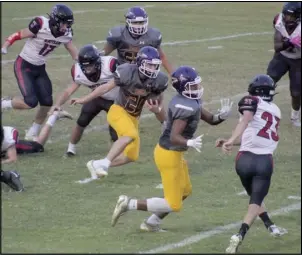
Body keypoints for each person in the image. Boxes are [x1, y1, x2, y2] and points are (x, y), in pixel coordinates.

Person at [108, 66, 233, 230]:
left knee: (185, 191)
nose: (197, 88)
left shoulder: (190, 101)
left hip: (174, 153)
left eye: (196, 85)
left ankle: (151, 223)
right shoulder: (185, 107)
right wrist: (189, 142)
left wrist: (221, 116)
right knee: (174, 204)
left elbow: (210, 119)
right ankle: (128, 204)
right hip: (168, 154)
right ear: (183, 87)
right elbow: (175, 136)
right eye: (193, 86)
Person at [70, 46, 168, 180]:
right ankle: (104, 163)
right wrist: (84, 99)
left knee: (131, 156)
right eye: (149, 65)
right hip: (118, 110)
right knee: (130, 134)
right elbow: (104, 88)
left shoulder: (159, 80)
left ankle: (95, 164)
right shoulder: (126, 71)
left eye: (154, 66)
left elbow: (159, 106)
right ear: (139, 63)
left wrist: (159, 114)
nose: (152, 69)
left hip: (134, 117)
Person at [216, 74, 287, 254]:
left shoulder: (251, 101)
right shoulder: (276, 110)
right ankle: (239, 234)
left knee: (255, 197)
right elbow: (253, 127)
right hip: (264, 161)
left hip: (244, 160)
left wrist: (231, 141)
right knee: (255, 201)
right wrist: (231, 140)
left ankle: (270, 226)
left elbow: (247, 123)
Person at [1, 4, 78, 140]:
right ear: (55, 20)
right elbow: (19, 34)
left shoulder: (66, 34)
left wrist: (82, 62)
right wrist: (6, 45)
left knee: (47, 102)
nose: (66, 27)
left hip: (39, 67)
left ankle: (32, 131)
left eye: (68, 24)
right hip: (24, 64)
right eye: (64, 23)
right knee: (30, 102)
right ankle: (3, 103)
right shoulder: (41, 24)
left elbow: (73, 51)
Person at [48, 44, 119, 156]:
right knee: (82, 120)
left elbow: (125, 81)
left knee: (115, 130)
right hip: (97, 98)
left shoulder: (111, 64)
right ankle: (71, 148)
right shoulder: (78, 72)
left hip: (117, 100)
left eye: (91, 66)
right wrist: (57, 104)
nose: (88, 70)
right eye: (85, 67)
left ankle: (117, 150)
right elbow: (68, 91)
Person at [102, 6, 173, 75]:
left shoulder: (152, 37)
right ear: (128, 22)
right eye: (135, 22)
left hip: (144, 73)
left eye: (141, 22)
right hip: (123, 73)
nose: (138, 25)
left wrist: (173, 74)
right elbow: (103, 54)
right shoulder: (119, 35)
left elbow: (161, 57)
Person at [267, 2, 301, 127]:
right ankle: (261, 109)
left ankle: (294, 117)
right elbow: (277, 47)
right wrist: (291, 42)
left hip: (299, 60)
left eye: (291, 16)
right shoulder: (278, 20)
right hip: (282, 56)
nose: (287, 18)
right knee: (268, 81)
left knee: (296, 92)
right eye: (286, 15)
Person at [1, 110, 72, 159]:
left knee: (38, 146)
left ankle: (54, 115)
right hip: (6, 137)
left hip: (9, 138)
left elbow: (13, 159)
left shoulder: (8, 140)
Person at [1, 126, 23, 192]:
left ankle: (9, 175)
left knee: (37, 147)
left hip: (12, 140)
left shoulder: (7, 139)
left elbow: (13, 159)